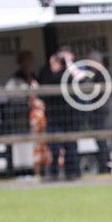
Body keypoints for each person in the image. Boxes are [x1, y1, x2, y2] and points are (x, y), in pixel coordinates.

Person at [36, 47, 82, 181]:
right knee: (70, 147)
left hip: (57, 117)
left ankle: (54, 174)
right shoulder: (70, 76)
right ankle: (72, 173)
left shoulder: (57, 78)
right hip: (70, 117)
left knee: (55, 147)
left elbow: (43, 95)